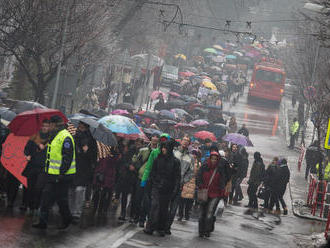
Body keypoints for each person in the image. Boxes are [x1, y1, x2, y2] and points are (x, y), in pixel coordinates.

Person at [33, 115, 76, 229]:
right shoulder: (55, 135)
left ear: (54, 125)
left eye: (50, 124)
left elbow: (67, 158)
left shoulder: (65, 137)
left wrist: (61, 174)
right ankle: (43, 222)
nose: (49, 126)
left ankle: (67, 219)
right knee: (47, 197)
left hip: (62, 176)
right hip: (52, 174)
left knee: (61, 200)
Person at [143, 139, 181, 237]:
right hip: (156, 186)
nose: (163, 150)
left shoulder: (175, 162)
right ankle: (150, 227)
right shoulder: (158, 159)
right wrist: (152, 182)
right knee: (155, 205)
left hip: (168, 188)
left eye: (165, 148)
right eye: (162, 147)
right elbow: (153, 172)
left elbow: (177, 177)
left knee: (164, 208)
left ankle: (160, 228)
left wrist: (175, 189)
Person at [166, 134, 193, 234]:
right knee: (165, 205)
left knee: (173, 208)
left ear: (189, 144)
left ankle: (167, 226)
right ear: (181, 141)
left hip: (179, 185)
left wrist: (183, 180)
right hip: (169, 183)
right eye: (184, 140)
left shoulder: (190, 158)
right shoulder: (173, 153)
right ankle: (161, 224)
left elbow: (191, 172)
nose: (185, 142)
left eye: (187, 141)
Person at [22, 119, 50, 214]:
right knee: (30, 187)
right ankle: (28, 205)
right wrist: (27, 155)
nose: (44, 128)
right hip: (32, 165)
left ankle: (36, 206)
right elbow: (26, 149)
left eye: (46, 126)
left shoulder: (51, 138)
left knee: (39, 187)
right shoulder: (34, 136)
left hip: (43, 167)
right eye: (43, 125)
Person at [131, 134, 159, 226]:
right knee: (138, 198)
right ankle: (136, 217)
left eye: (156, 139)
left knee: (147, 200)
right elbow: (135, 160)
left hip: (151, 179)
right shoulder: (143, 150)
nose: (154, 140)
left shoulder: (158, 153)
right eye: (153, 139)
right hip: (140, 177)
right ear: (151, 140)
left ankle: (142, 219)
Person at [71, 121, 97, 219]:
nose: (80, 129)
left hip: (84, 170)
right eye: (79, 127)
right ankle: (70, 210)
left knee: (79, 190)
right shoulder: (74, 137)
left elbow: (94, 157)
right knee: (71, 191)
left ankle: (77, 212)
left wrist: (87, 151)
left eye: (82, 128)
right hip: (73, 167)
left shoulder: (91, 140)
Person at [197, 152, 226, 238]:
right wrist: (200, 185)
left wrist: (222, 193)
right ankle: (201, 231)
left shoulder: (220, 169)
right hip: (204, 192)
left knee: (210, 213)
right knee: (201, 213)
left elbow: (222, 181)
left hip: (215, 194)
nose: (213, 160)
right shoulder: (204, 167)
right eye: (212, 158)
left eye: (215, 159)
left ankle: (207, 230)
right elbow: (198, 177)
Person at [92, 144, 119, 217]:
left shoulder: (115, 153)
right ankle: (95, 208)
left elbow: (115, 161)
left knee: (106, 193)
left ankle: (102, 209)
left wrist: (113, 154)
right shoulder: (101, 150)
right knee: (97, 192)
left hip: (108, 176)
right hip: (101, 174)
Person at [179, 149, 201, 221]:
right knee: (182, 199)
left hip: (193, 183)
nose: (194, 155)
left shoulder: (198, 164)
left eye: (195, 154)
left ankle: (186, 215)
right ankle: (181, 215)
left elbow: (199, 175)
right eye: (193, 154)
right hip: (185, 182)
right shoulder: (187, 161)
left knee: (189, 201)